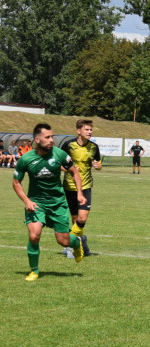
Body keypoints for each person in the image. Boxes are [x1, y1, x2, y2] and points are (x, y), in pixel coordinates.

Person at [12, 123, 85, 281]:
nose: (52, 140)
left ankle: (76, 242)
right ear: (37, 140)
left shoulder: (59, 154)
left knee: (63, 241)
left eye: (52, 136)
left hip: (58, 203)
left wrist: (79, 192)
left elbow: (74, 171)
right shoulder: (26, 159)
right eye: (48, 137)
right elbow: (16, 182)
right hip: (36, 203)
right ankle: (34, 271)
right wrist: (26, 201)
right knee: (34, 236)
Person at [62, 118, 102, 257]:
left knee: (82, 219)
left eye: (91, 129)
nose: (89, 132)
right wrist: (69, 169)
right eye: (87, 129)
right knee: (75, 219)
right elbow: (59, 164)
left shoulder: (94, 147)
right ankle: (81, 241)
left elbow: (98, 163)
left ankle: (69, 245)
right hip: (70, 186)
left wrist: (98, 166)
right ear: (78, 131)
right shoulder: (68, 145)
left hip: (86, 186)